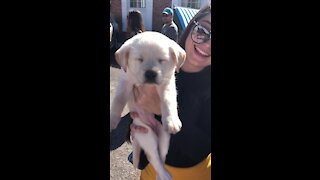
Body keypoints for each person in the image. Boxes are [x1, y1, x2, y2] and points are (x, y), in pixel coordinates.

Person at [110, 3, 213, 179]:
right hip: (151, 169)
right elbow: (135, 111)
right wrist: (131, 129)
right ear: (191, 26)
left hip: (194, 173)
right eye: (203, 31)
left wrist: (160, 110)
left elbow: (202, 147)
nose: (208, 45)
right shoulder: (161, 55)